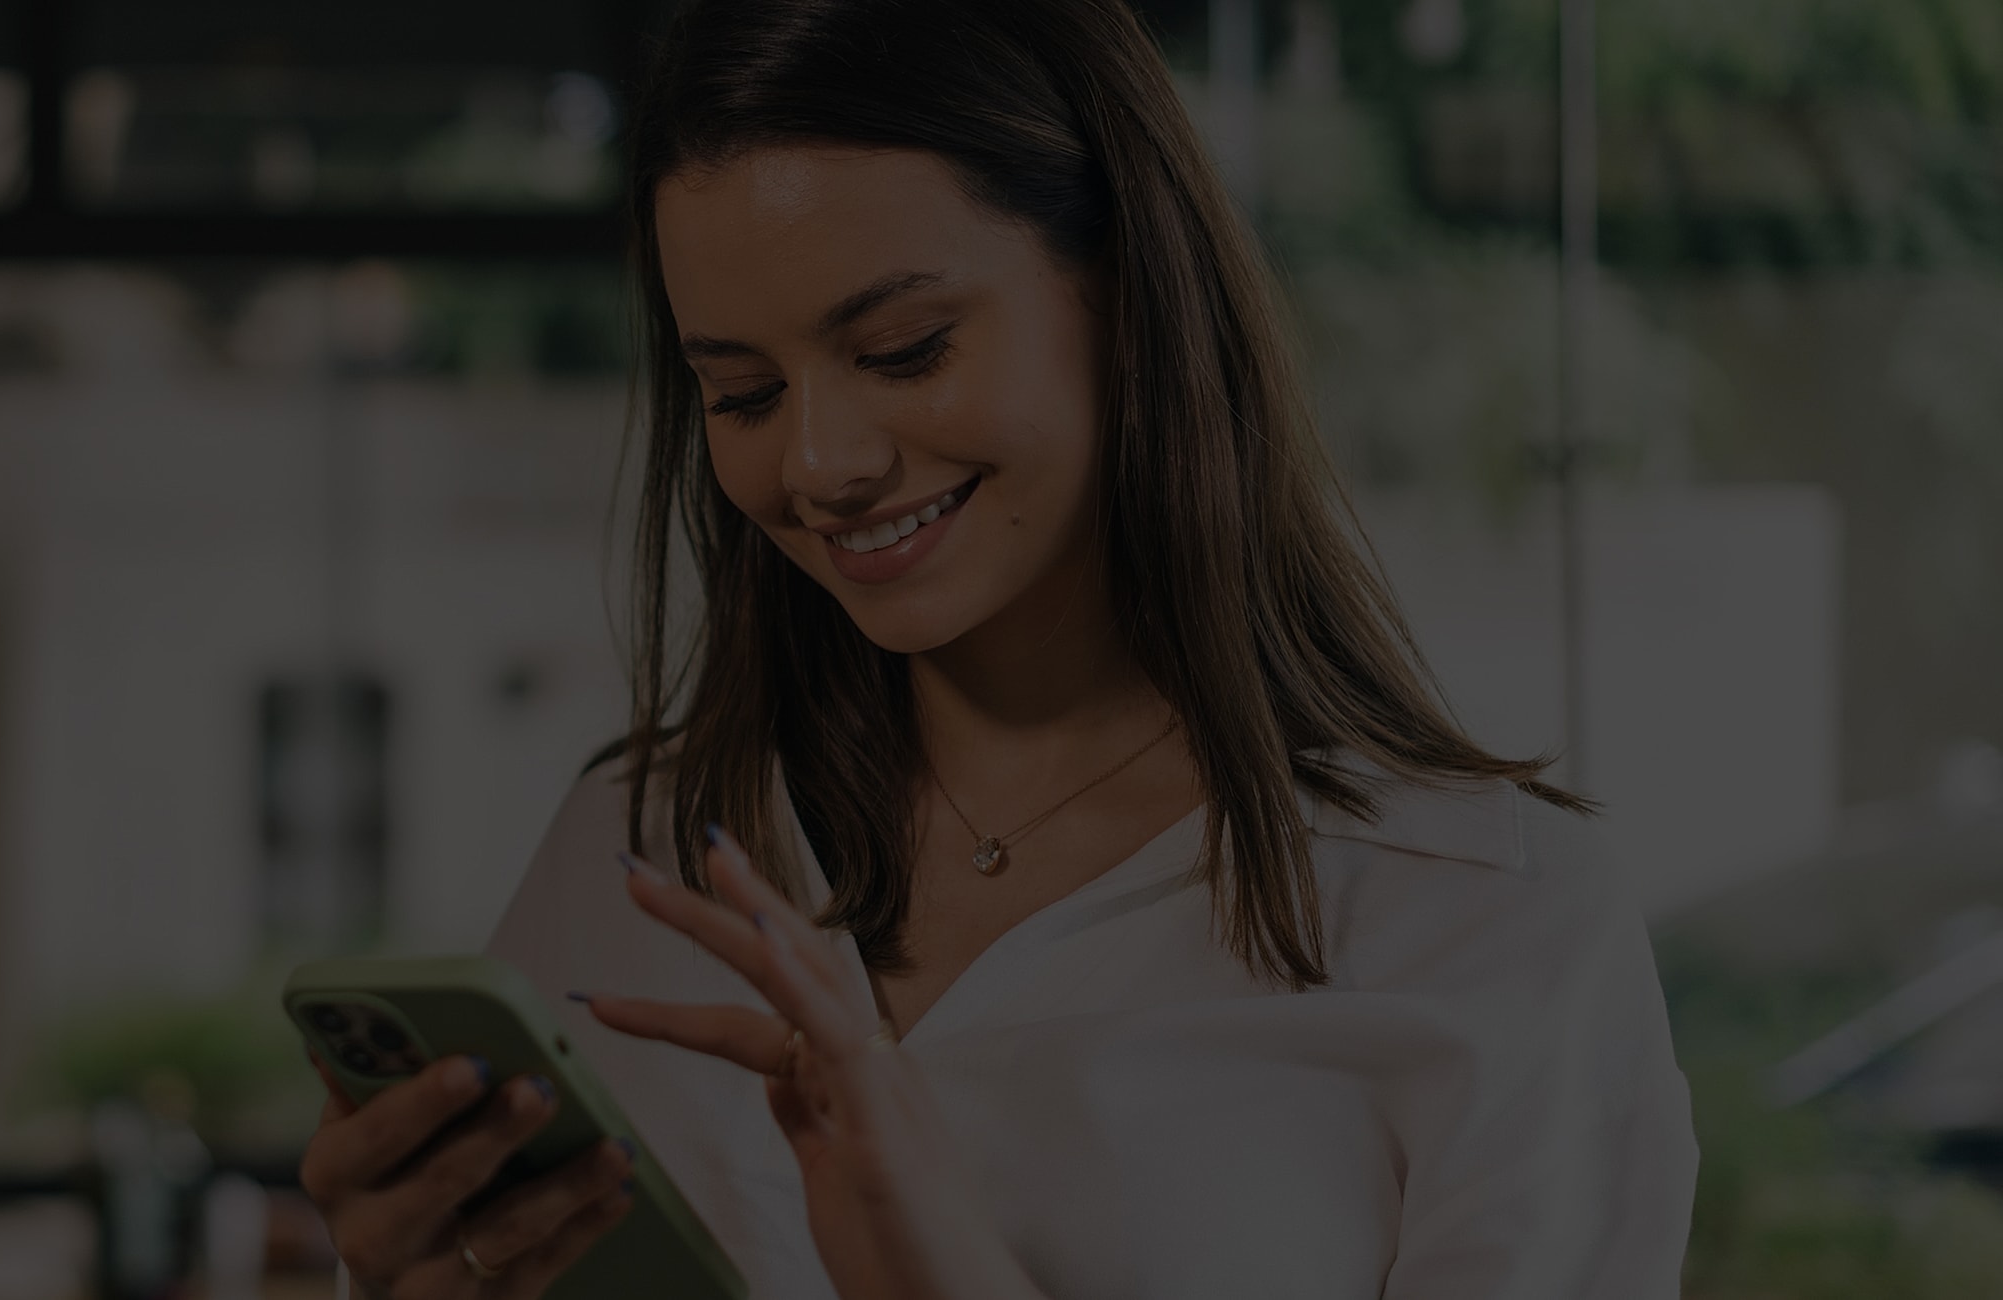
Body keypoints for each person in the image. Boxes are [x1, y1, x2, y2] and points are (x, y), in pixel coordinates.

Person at [298, 0, 1700, 1296]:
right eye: (740, 392)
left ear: (1128, 287)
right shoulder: (639, 852)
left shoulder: (1491, 925)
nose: (822, 462)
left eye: (904, 349)